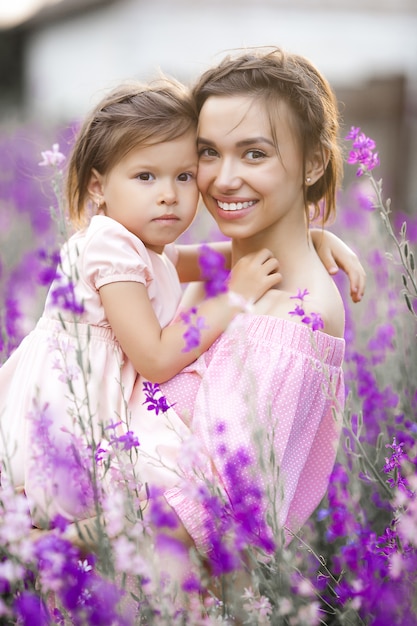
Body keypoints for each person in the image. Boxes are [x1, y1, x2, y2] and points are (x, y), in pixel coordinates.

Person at [0, 77, 284, 528]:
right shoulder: (111, 248)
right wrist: (235, 296)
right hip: (70, 423)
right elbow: (153, 357)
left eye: (184, 176)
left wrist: (309, 243)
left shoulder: (141, 245)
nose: (169, 193)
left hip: (94, 412)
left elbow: (216, 258)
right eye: (145, 176)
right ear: (98, 187)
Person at [150, 47, 353, 568]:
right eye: (209, 152)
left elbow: (216, 512)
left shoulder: (290, 319)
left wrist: (51, 541)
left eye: (255, 153)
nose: (222, 179)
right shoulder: (227, 271)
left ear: (313, 162)